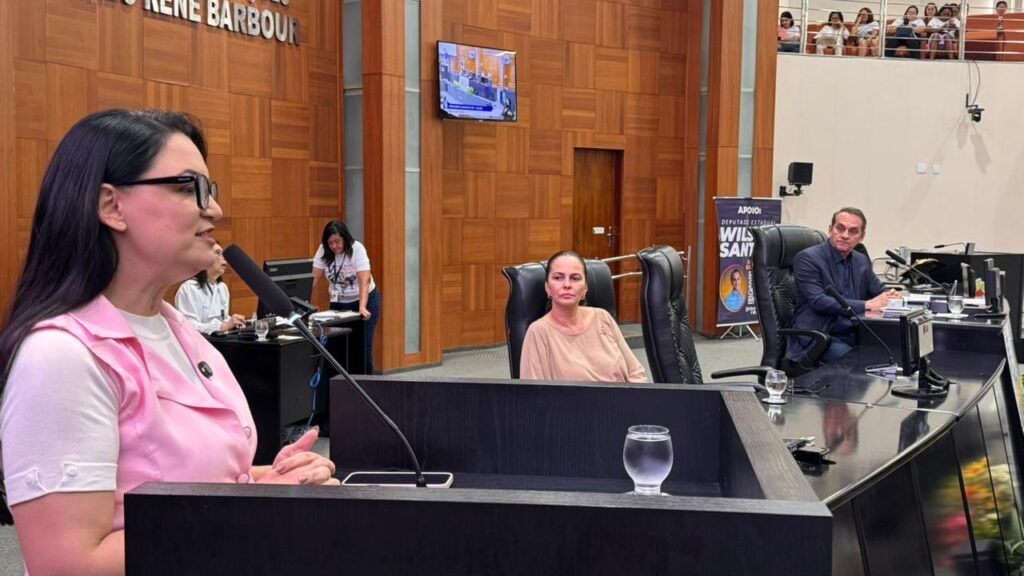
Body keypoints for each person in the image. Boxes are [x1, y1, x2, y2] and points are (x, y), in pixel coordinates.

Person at [0, 109, 339, 573]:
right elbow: (69, 564)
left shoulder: (176, 329)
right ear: (112, 206)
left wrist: (277, 480)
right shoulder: (59, 358)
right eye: (187, 187)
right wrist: (254, 509)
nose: (214, 210)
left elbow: (194, 485)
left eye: (210, 189)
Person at [786, 207, 899, 367]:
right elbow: (819, 301)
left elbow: (879, 290)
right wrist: (867, 305)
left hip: (856, 332)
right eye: (840, 228)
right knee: (858, 364)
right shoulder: (808, 258)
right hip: (821, 336)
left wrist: (891, 296)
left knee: (894, 352)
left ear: (861, 236)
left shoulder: (861, 260)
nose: (845, 235)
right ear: (830, 229)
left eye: (853, 231)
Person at [520, 251, 647, 383]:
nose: (567, 285)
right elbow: (534, 392)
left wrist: (632, 395)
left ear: (585, 287)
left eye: (575, 278)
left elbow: (636, 372)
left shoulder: (602, 317)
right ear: (547, 287)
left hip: (623, 395)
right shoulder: (538, 332)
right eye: (558, 278)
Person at [311, 220, 380, 374]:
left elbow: (364, 280)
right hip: (339, 302)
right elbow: (313, 280)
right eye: (330, 243)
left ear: (345, 238)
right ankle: (339, 385)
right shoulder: (323, 250)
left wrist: (362, 306)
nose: (334, 246)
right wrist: (304, 305)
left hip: (364, 300)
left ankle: (365, 384)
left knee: (362, 348)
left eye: (337, 241)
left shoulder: (357, 249)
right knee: (336, 348)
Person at [174, 241, 246, 334]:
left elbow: (222, 318)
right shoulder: (189, 289)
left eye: (223, 254)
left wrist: (233, 322)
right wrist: (222, 326)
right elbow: (189, 326)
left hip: (220, 339)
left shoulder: (222, 287)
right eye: (218, 253)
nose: (224, 258)